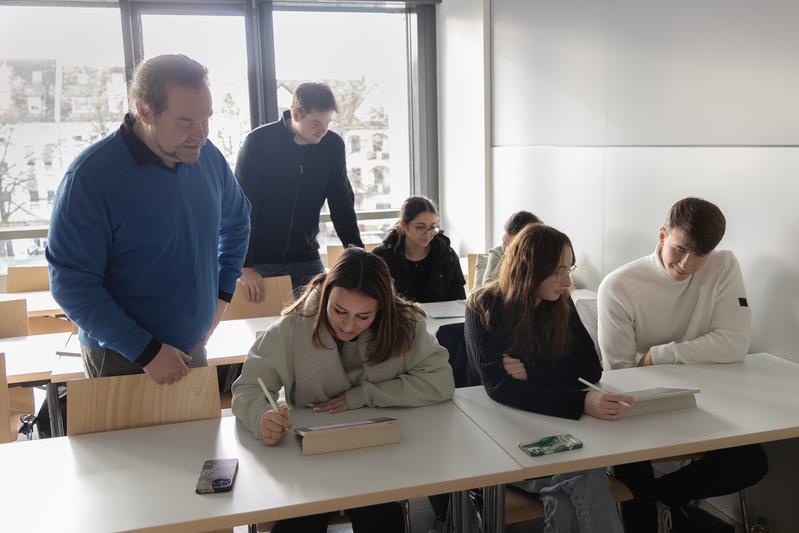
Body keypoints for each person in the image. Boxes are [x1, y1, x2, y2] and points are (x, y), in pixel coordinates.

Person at [46, 54, 251, 384]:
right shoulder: (90, 177)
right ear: (144, 110)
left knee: (198, 438)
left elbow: (238, 222)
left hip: (193, 345)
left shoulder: (208, 156)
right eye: (185, 123)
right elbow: (72, 285)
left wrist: (223, 295)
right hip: (122, 355)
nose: (200, 135)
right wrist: (147, 351)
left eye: (206, 120)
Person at [231, 247, 454, 533]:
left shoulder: (403, 325)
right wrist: (261, 417)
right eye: (339, 311)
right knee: (299, 524)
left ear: (381, 309)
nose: (349, 325)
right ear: (326, 294)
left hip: (379, 453)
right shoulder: (293, 326)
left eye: (364, 316)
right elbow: (248, 387)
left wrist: (364, 395)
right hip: (311, 456)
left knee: (382, 521)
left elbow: (440, 381)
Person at [598, 197, 768, 532]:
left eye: (700, 255)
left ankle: (660, 498)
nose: (687, 264)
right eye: (679, 249)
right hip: (638, 410)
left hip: (705, 402)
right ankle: (654, 504)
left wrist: (657, 355)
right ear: (662, 235)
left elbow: (735, 344)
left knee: (753, 462)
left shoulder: (724, 266)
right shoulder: (618, 286)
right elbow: (620, 375)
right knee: (635, 488)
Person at [466, 223, 633, 532]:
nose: (567, 280)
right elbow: (501, 388)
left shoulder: (560, 302)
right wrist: (579, 399)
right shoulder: (483, 306)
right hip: (499, 433)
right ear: (530, 268)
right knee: (584, 475)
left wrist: (532, 373)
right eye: (558, 271)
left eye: (569, 269)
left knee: (576, 482)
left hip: (551, 424)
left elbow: (589, 368)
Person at [235, 82, 363, 299]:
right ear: (296, 113)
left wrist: (356, 251)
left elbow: (341, 202)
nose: (322, 130)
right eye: (315, 123)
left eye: (327, 123)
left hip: (307, 257)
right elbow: (243, 207)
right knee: (268, 329)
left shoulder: (332, 146)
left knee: (317, 327)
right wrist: (244, 265)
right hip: (260, 262)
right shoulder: (259, 142)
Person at [373, 196, 466, 303]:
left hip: (442, 320)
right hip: (399, 319)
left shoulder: (447, 255)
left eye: (432, 227)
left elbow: (459, 300)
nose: (428, 234)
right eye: (420, 227)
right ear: (404, 225)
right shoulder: (382, 258)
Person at [482, 210, 541, 284]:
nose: (505, 249)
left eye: (512, 247)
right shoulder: (498, 253)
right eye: (504, 242)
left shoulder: (538, 257)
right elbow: (488, 284)